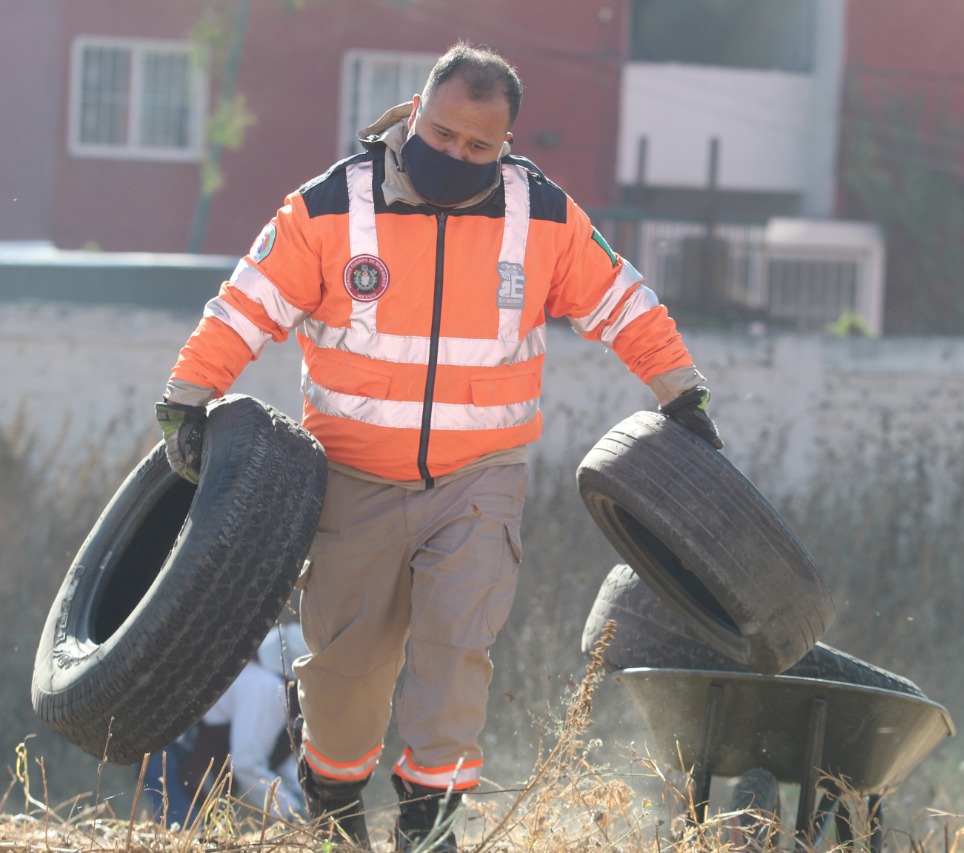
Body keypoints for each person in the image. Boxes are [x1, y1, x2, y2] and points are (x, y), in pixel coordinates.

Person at [153, 40, 721, 852]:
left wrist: (681, 391)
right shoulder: (328, 209)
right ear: (416, 113)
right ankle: (337, 807)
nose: (457, 155)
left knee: (456, 652)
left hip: (480, 478)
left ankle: (430, 826)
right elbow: (247, 303)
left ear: (506, 146)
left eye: (478, 147)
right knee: (348, 672)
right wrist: (187, 396)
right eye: (445, 135)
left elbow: (623, 302)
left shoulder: (544, 217)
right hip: (352, 476)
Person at [143, 624, 308, 826]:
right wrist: (292, 815)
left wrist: (307, 802)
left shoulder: (252, 674)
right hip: (173, 759)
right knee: (186, 836)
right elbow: (246, 764)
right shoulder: (265, 687)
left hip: (173, 753)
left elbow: (279, 760)